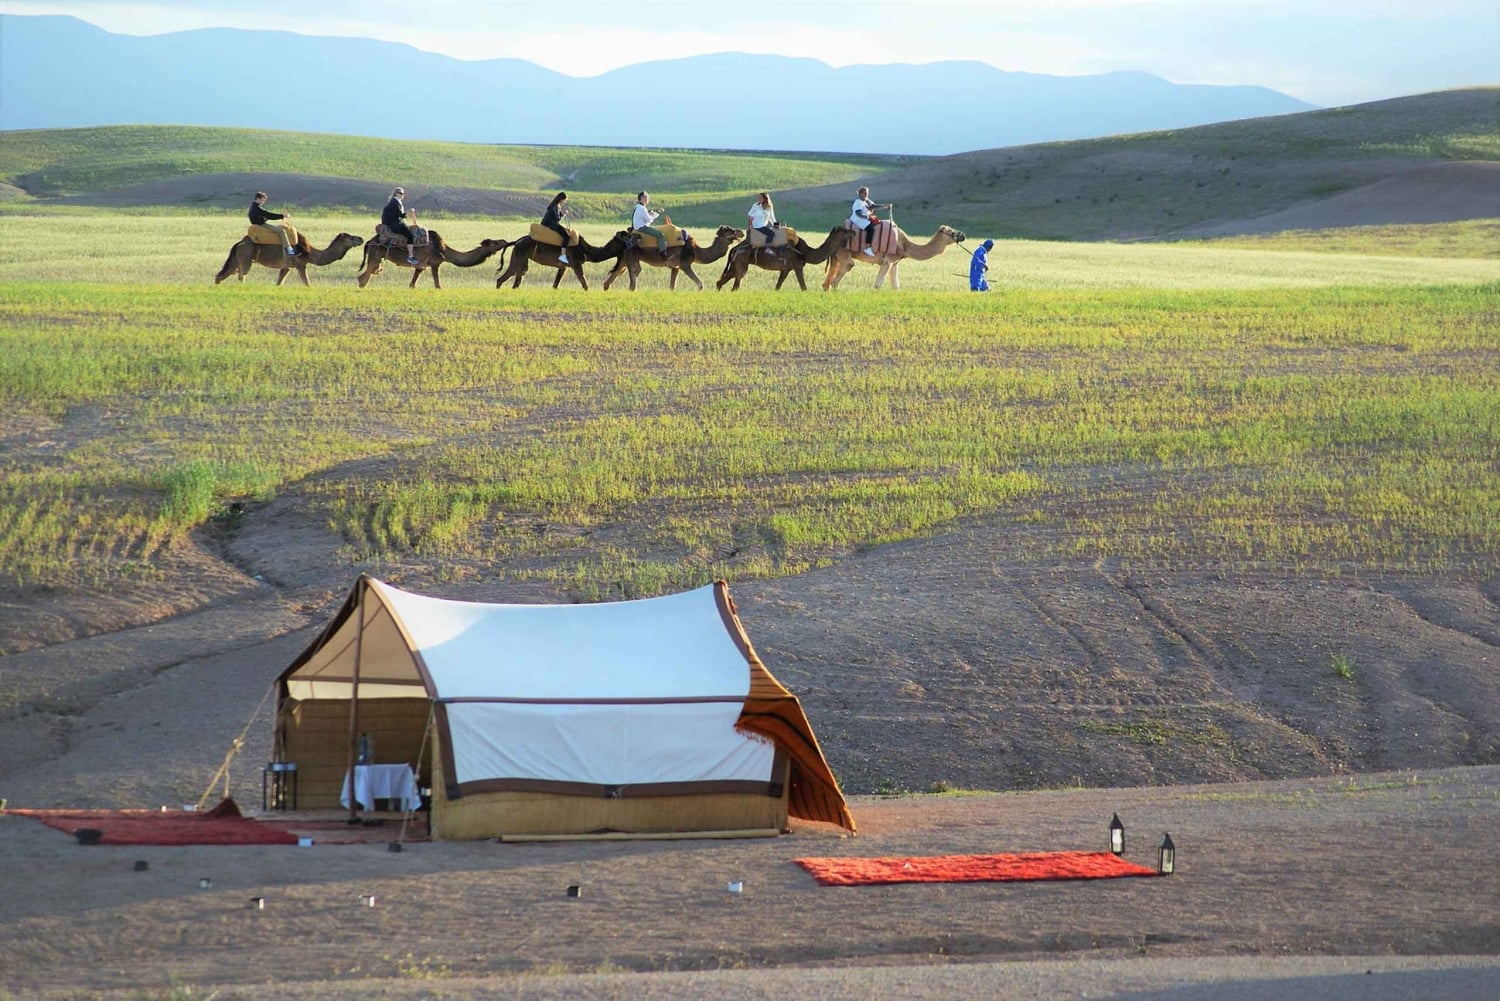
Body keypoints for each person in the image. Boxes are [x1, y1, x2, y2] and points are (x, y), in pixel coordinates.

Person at [248, 192, 297, 256]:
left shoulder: (253, 206)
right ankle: (289, 250)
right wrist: (283, 216)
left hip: (259, 224)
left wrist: (264, 218)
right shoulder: (257, 208)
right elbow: (269, 215)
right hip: (261, 225)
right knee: (281, 231)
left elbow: (264, 216)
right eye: (262, 200)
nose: (263, 202)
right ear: (258, 199)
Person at [382, 186, 420, 264]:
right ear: (396, 194)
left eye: (403, 193)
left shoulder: (395, 202)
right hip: (394, 224)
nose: (403, 195)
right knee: (410, 236)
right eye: (401, 193)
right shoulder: (395, 202)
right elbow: (400, 215)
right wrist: (410, 213)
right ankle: (410, 257)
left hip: (393, 223)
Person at [541, 191, 571, 265]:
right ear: (561, 199)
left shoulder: (556, 205)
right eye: (565, 200)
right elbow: (558, 219)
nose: (564, 202)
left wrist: (563, 214)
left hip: (549, 223)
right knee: (567, 236)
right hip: (550, 224)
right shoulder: (556, 206)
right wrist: (564, 214)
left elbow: (558, 217)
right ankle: (563, 255)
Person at [850, 186, 880, 257]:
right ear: (861, 194)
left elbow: (874, 206)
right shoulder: (858, 202)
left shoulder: (866, 200)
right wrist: (867, 217)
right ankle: (868, 247)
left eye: (867, 193)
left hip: (865, 218)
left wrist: (885, 206)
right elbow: (858, 213)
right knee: (870, 228)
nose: (867, 195)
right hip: (858, 219)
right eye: (865, 193)